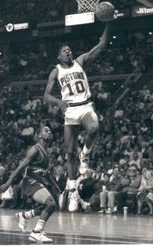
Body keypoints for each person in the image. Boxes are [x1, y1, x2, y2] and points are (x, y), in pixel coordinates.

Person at [44, 23, 112, 194]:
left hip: (85, 105)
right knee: (69, 152)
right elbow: (46, 97)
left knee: (94, 127)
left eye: (69, 50)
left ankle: (86, 155)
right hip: (70, 110)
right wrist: (58, 102)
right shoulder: (56, 71)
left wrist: (109, 22)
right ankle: (72, 186)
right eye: (65, 50)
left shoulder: (80, 61)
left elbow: (101, 45)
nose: (68, 51)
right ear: (59, 56)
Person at [0, 126, 59, 243]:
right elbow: (20, 168)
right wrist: (8, 183)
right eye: (46, 131)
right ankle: (36, 232)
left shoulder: (47, 153)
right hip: (30, 182)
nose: (49, 132)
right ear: (39, 135)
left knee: (52, 205)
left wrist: (54, 185)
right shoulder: (35, 150)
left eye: (50, 131)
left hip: (39, 182)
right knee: (51, 203)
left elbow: (46, 173)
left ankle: (25, 216)